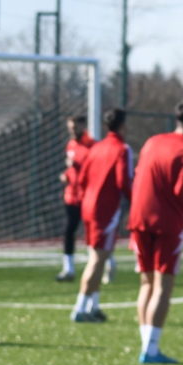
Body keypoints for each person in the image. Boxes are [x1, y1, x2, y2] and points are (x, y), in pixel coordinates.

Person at [128, 99, 183, 363]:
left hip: (139, 217)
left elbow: (139, 176)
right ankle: (150, 350)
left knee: (146, 283)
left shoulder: (152, 141)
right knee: (163, 286)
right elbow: (181, 190)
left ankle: (146, 346)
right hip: (166, 221)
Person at [71, 108, 133, 323]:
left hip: (89, 206)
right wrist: (136, 201)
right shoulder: (122, 149)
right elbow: (123, 181)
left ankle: (93, 306)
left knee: (99, 257)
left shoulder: (96, 147)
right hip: (104, 210)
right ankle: (80, 308)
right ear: (123, 126)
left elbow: (82, 178)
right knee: (97, 260)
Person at [56, 115, 95, 281]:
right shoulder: (70, 145)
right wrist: (66, 175)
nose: (72, 131)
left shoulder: (93, 146)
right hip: (72, 196)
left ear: (83, 126)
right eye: (70, 128)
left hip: (88, 196)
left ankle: (101, 265)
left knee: (93, 233)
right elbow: (72, 170)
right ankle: (68, 269)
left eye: (75, 127)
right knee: (69, 230)